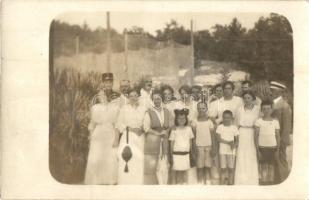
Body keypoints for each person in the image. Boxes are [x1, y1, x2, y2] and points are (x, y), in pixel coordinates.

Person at [85, 90, 120, 184]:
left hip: (110, 133)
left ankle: (110, 180)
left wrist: (116, 139)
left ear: (107, 96)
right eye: (100, 95)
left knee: (110, 156)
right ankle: (97, 180)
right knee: (97, 155)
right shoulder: (95, 108)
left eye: (103, 95)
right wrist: (90, 136)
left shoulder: (115, 108)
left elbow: (117, 124)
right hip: (98, 133)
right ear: (98, 97)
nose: (102, 97)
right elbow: (92, 124)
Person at [116, 87, 147, 184]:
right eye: (131, 96)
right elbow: (119, 124)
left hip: (140, 137)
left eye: (135, 96)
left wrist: (143, 129)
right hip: (128, 137)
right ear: (128, 97)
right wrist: (131, 129)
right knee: (128, 159)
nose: (133, 98)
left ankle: (138, 183)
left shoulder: (143, 109)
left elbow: (147, 123)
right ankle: (126, 182)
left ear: (138, 97)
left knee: (140, 159)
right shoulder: (124, 109)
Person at [143, 90, 173, 184]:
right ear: (152, 100)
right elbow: (146, 127)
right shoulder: (149, 112)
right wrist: (157, 134)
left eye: (159, 98)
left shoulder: (167, 111)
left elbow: (171, 125)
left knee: (166, 162)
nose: (157, 101)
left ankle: (165, 184)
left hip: (165, 139)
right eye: (155, 99)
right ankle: (158, 185)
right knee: (156, 164)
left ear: (161, 99)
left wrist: (166, 131)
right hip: (153, 140)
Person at [234, 91, 260, 185]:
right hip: (241, 133)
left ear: (253, 99)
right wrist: (235, 137)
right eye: (245, 98)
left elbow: (260, 123)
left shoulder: (258, 109)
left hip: (252, 133)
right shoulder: (239, 109)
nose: (247, 100)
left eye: (249, 98)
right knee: (241, 156)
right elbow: (236, 124)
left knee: (251, 156)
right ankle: (240, 181)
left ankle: (252, 181)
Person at [270, 81, 292, 184]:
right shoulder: (273, 103)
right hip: (272, 138)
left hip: (280, 139)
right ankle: (277, 180)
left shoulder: (284, 105)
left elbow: (287, 125)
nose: (271, 92)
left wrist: (283, 140)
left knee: (281, 159)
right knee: (274, 159)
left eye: (273, 90)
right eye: (271, 90)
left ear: (279, 91)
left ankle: (284, 181)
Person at [255, 100, 280, 185]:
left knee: (271, 166)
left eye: (268, 108)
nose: (266, 111)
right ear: (261, 110)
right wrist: (257, 150)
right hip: (262, 148)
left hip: (273, 147)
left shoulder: (275, 122)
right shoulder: (259, 121)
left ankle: (271, 184)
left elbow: (278, 137)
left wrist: (277, 150)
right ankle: (264, 183)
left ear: (272, 110)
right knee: (264, 167)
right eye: (264, 109)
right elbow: (256, 136)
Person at [191, 102, 216, 185]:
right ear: (197, 110)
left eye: (203, 108)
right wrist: (194, 148)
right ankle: (200, 186)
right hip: (198, 147)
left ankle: (208, 186)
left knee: (208, 168)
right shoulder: (194, 122)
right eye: (199, 108)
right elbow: (193, 137)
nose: (201, 110)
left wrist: (213, 148)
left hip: (209, 147)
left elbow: (212, 136)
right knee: (200, 168)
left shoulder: (210, 122)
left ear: (206, 109)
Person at [169, 109, 195, 184]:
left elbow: (191, 143)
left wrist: (191, 154)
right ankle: (178, 190)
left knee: (185, 173)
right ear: (176, 119)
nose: (181, 120)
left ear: (186, 119)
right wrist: (171, 156)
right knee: (178, 173)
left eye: (183, 118)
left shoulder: (189, 129)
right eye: (179, 118)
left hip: (186, 155)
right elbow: (171, 144)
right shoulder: (174, 130)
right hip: (176, 155)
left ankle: (185, 190)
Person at [216, 110, 239, 185]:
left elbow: (237, 141)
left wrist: (234, 145)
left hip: (231, 151)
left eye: (228, 118)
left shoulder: (234, 128)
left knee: (231, 169)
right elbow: (218, 139)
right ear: (222, 118)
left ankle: (230, 185)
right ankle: (222, 185)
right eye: (225, 118)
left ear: (232, 118)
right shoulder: (220, 127)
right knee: (223, 169)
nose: (226, 119)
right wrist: (228, 142)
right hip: (222, 151)